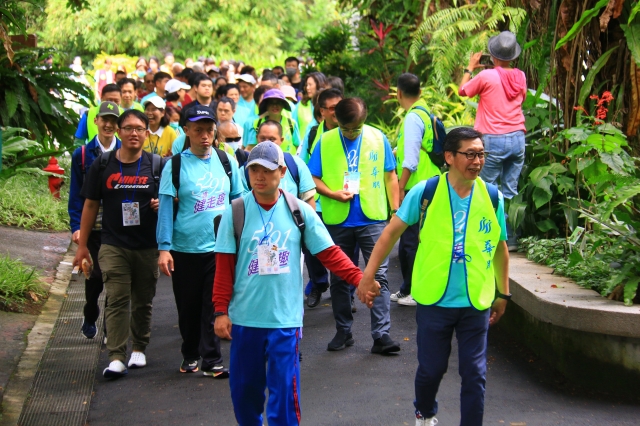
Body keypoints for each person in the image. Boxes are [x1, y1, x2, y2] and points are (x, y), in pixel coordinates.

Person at [357, 127, 510, 426]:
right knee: (431, 369)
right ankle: (424, 413)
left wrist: (502, 293)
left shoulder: (492, 196)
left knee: (475, 373)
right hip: (434, 299)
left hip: (475, 300)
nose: (477, 161)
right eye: (470, 154)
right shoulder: (425, 192)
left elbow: (500, 248)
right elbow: (390, 234)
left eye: (481, 154)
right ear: (450, 157)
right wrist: (368, 275)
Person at [213, 141, 365, 426]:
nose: (259, 176)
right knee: (244, 393)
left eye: (267, 170)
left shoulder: (299, 212)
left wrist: (360, 278)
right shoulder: (236, 211)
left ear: (282, 171)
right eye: (253, 169)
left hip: (285, 320)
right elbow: (223, 267)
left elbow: (329, 254)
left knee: (284, 395)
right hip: (245, 319)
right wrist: (221, 311)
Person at [72, 109, 162, 379]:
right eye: (128, 128)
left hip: (147, 245)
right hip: (113, 243)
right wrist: (82, 244)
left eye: (139, 128)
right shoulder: (103, 164)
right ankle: (116, 356)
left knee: (143, 300)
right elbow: (90, 204)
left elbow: (173, 202)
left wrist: (162, 205)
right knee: (117, 298)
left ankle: (140, 348)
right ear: (120, 132)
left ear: (147, 134)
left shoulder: (157, 165)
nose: (133, 133)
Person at [308, 97, 401, 354]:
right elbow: (312, 177)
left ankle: (381, 335)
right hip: (338, 218)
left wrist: (395, 210)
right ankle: (343, 331)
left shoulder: (377, 137)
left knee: (378, 275)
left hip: (372, 218)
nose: (351, 133)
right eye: (347, 128)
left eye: (356, 129)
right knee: (339, 277)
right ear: (336, 119)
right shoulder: (325, 141)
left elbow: (390, 175)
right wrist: (332, 193)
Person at [157, 106, 242, 377]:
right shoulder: (176, 165)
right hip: (185, 248)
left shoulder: (227, 161)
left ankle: (212, 359)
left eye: (209, 129)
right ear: (186, 131)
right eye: (198, 130)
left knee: (214, 304)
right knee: (188, 306)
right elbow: (167, 209)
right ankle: (190, 353)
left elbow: (239, 201)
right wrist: (164, 248)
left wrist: (241, 240)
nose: (205, 136)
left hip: (219, 248)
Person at [458, 31, 527, 251]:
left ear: (493, 55)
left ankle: (491, 237)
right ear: (513, 56)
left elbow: (463, 91)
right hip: (518, 138)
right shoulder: (521, 76)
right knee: (510, 191)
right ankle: (511, 239)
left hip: (494, 139)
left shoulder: (487, 76)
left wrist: (470, 67)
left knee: (488, 189)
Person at [68, 101, 122, 340]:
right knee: (96, 277)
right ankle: (90, 313)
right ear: (96, 121)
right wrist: (77, 228)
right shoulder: (82, 155)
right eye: (105, 119)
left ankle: (111, 327)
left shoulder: (127, 152)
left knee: (115, 278)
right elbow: (75, 195)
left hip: (120, 227)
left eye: (113, 120)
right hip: (94, 228)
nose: (108, 124)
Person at [392, 73, 442, 307]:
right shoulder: (425, 112)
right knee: (414, 240)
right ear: (420, 92)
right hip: (429, 182)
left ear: (399, 93)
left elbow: (411, 160)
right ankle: (406, 289)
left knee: (411, 241)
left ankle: (414, 290)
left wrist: (400, 188)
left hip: (418, 187)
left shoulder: (413, 118)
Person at [248, 89, 300, 155]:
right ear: (266, 105)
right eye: (271, 103)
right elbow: (250, 147)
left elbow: (297, 146)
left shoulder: (292, 124)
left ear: (283, 105)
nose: (275, 106)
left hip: (287, 162)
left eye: (278, 102)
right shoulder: (256, 124)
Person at [294, 72, 328, 138]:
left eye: (310, 85)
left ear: (319, 84)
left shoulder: (328, 105)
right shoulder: (301, 105)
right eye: (306, 85)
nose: (307, 88)